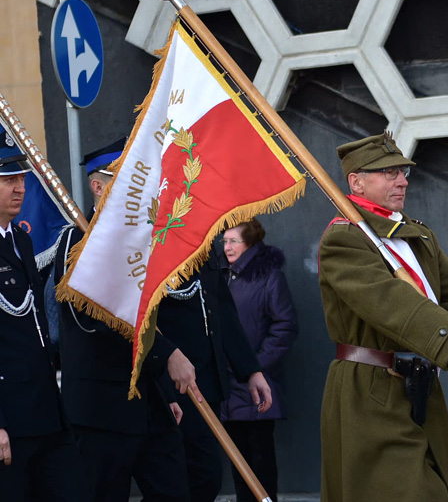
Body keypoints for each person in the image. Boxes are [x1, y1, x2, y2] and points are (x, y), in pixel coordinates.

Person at [317, 131, 448, 501]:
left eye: (403, 171)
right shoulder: (344, 239)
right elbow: (392, 303)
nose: (402, 181)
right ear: (357, 182)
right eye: (389, 172)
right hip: (370, 389)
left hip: (420, 386)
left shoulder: (416, 234)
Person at [55, 140, 192, 501]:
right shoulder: (77, 240)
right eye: (126, 181)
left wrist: (163, 390)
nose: (137, 189)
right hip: (102, 406)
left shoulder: (140, 242)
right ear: (98, 187)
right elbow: (93, 318)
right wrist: (167, 354)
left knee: (177, 490)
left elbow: (152, 316)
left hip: (148, 400)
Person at [0, 125, 87, 500]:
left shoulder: (20, 239)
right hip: (9, 418)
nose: (20, 187)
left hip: (46, 410)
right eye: (9, 180)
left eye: (21, 178)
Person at [156, 248, 273, 502]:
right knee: (178, 482)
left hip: (205, 381)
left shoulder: (200, 241)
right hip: (165, 383)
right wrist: (166, 356)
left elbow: (221, 308)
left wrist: (250, 369)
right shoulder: (146, 238)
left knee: (205, 477)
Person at [219, 219, 299, 502]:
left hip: (257, 384)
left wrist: (254, 367)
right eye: (225, 241)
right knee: (237, 457)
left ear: (250, 243)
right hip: (227, 383)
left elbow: (285, 326)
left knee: (260, 457)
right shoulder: (221, 276)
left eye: (233, 241)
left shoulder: (269, 277)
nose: (227, 247)